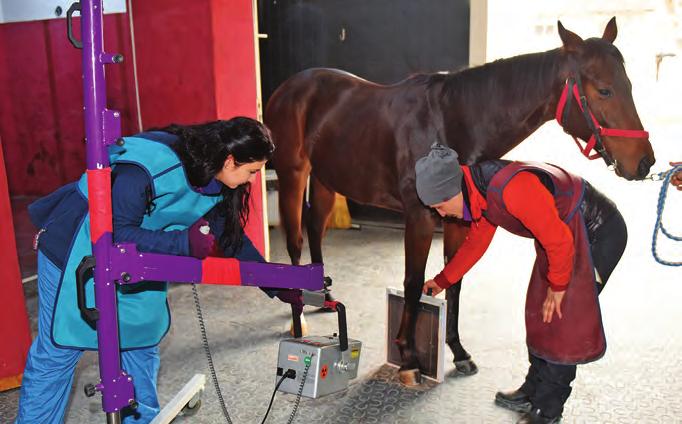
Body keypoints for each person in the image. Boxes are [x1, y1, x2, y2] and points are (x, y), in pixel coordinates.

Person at [16, 117, 302, 423]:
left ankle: (140, 419)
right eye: (252, 172)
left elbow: (233, 242)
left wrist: (277, 283)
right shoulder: (149, 167)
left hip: (140, 257)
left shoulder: (216, 178)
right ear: (231, 160)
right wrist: (181, 243)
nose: (252, 181)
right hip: (77, 249)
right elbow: (112, 233)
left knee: (141, 338)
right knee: (59, 348)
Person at [418, 144, 627, 424]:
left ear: (452, 190)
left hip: (595, 233)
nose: (442, 215)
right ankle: (533, 389)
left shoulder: (512, 190)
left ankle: (548, 409)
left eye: (440, 207)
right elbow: (475, 244)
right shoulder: (477, 191)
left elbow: (560, 241)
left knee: (561, 322)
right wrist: (442, 280)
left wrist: (559, 286)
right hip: (560, 235)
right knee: (540, 313)